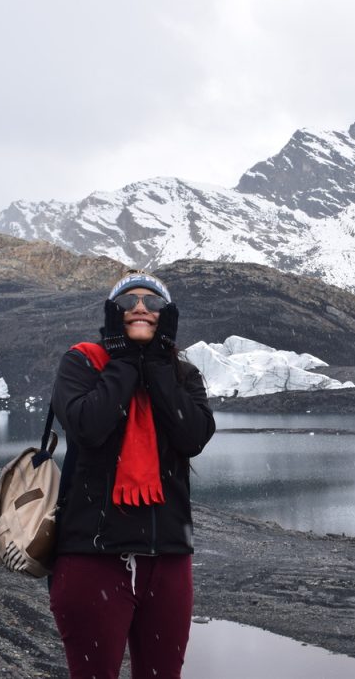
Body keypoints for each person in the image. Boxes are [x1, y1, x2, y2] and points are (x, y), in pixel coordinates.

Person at [48, 270, 215, 679]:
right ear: (113, 312)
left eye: (153, 302)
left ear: (166, 315)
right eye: (128, 301)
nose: (141, 307)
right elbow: (89, 426)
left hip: (169, 560)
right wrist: (124, 361)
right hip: (92, 559)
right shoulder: (83, 363)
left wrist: (156, 364)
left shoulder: (182, 375)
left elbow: (192, 434)